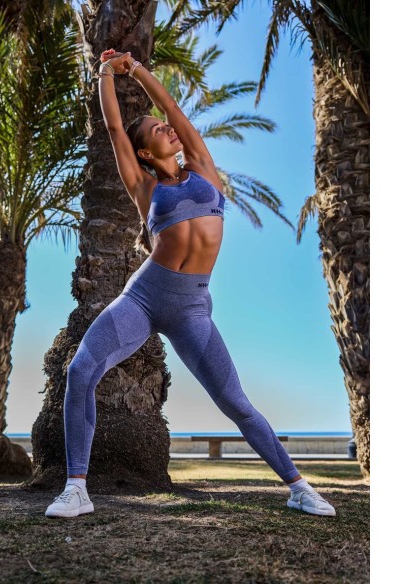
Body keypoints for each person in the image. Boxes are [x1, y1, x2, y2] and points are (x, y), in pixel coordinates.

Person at [45, 49, 336, 519]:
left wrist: (137, 69)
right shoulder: (144, 188)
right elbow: (115, 129)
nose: (167, 127)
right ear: (145, 153)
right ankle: (76, 488)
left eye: (166, 126)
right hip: (143, 298)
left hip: (191, 309)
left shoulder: (201, 165)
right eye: (156, 130)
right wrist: (105, 73)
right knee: (80, 370)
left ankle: (299, 487)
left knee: (235, 401)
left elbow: (173, 108)